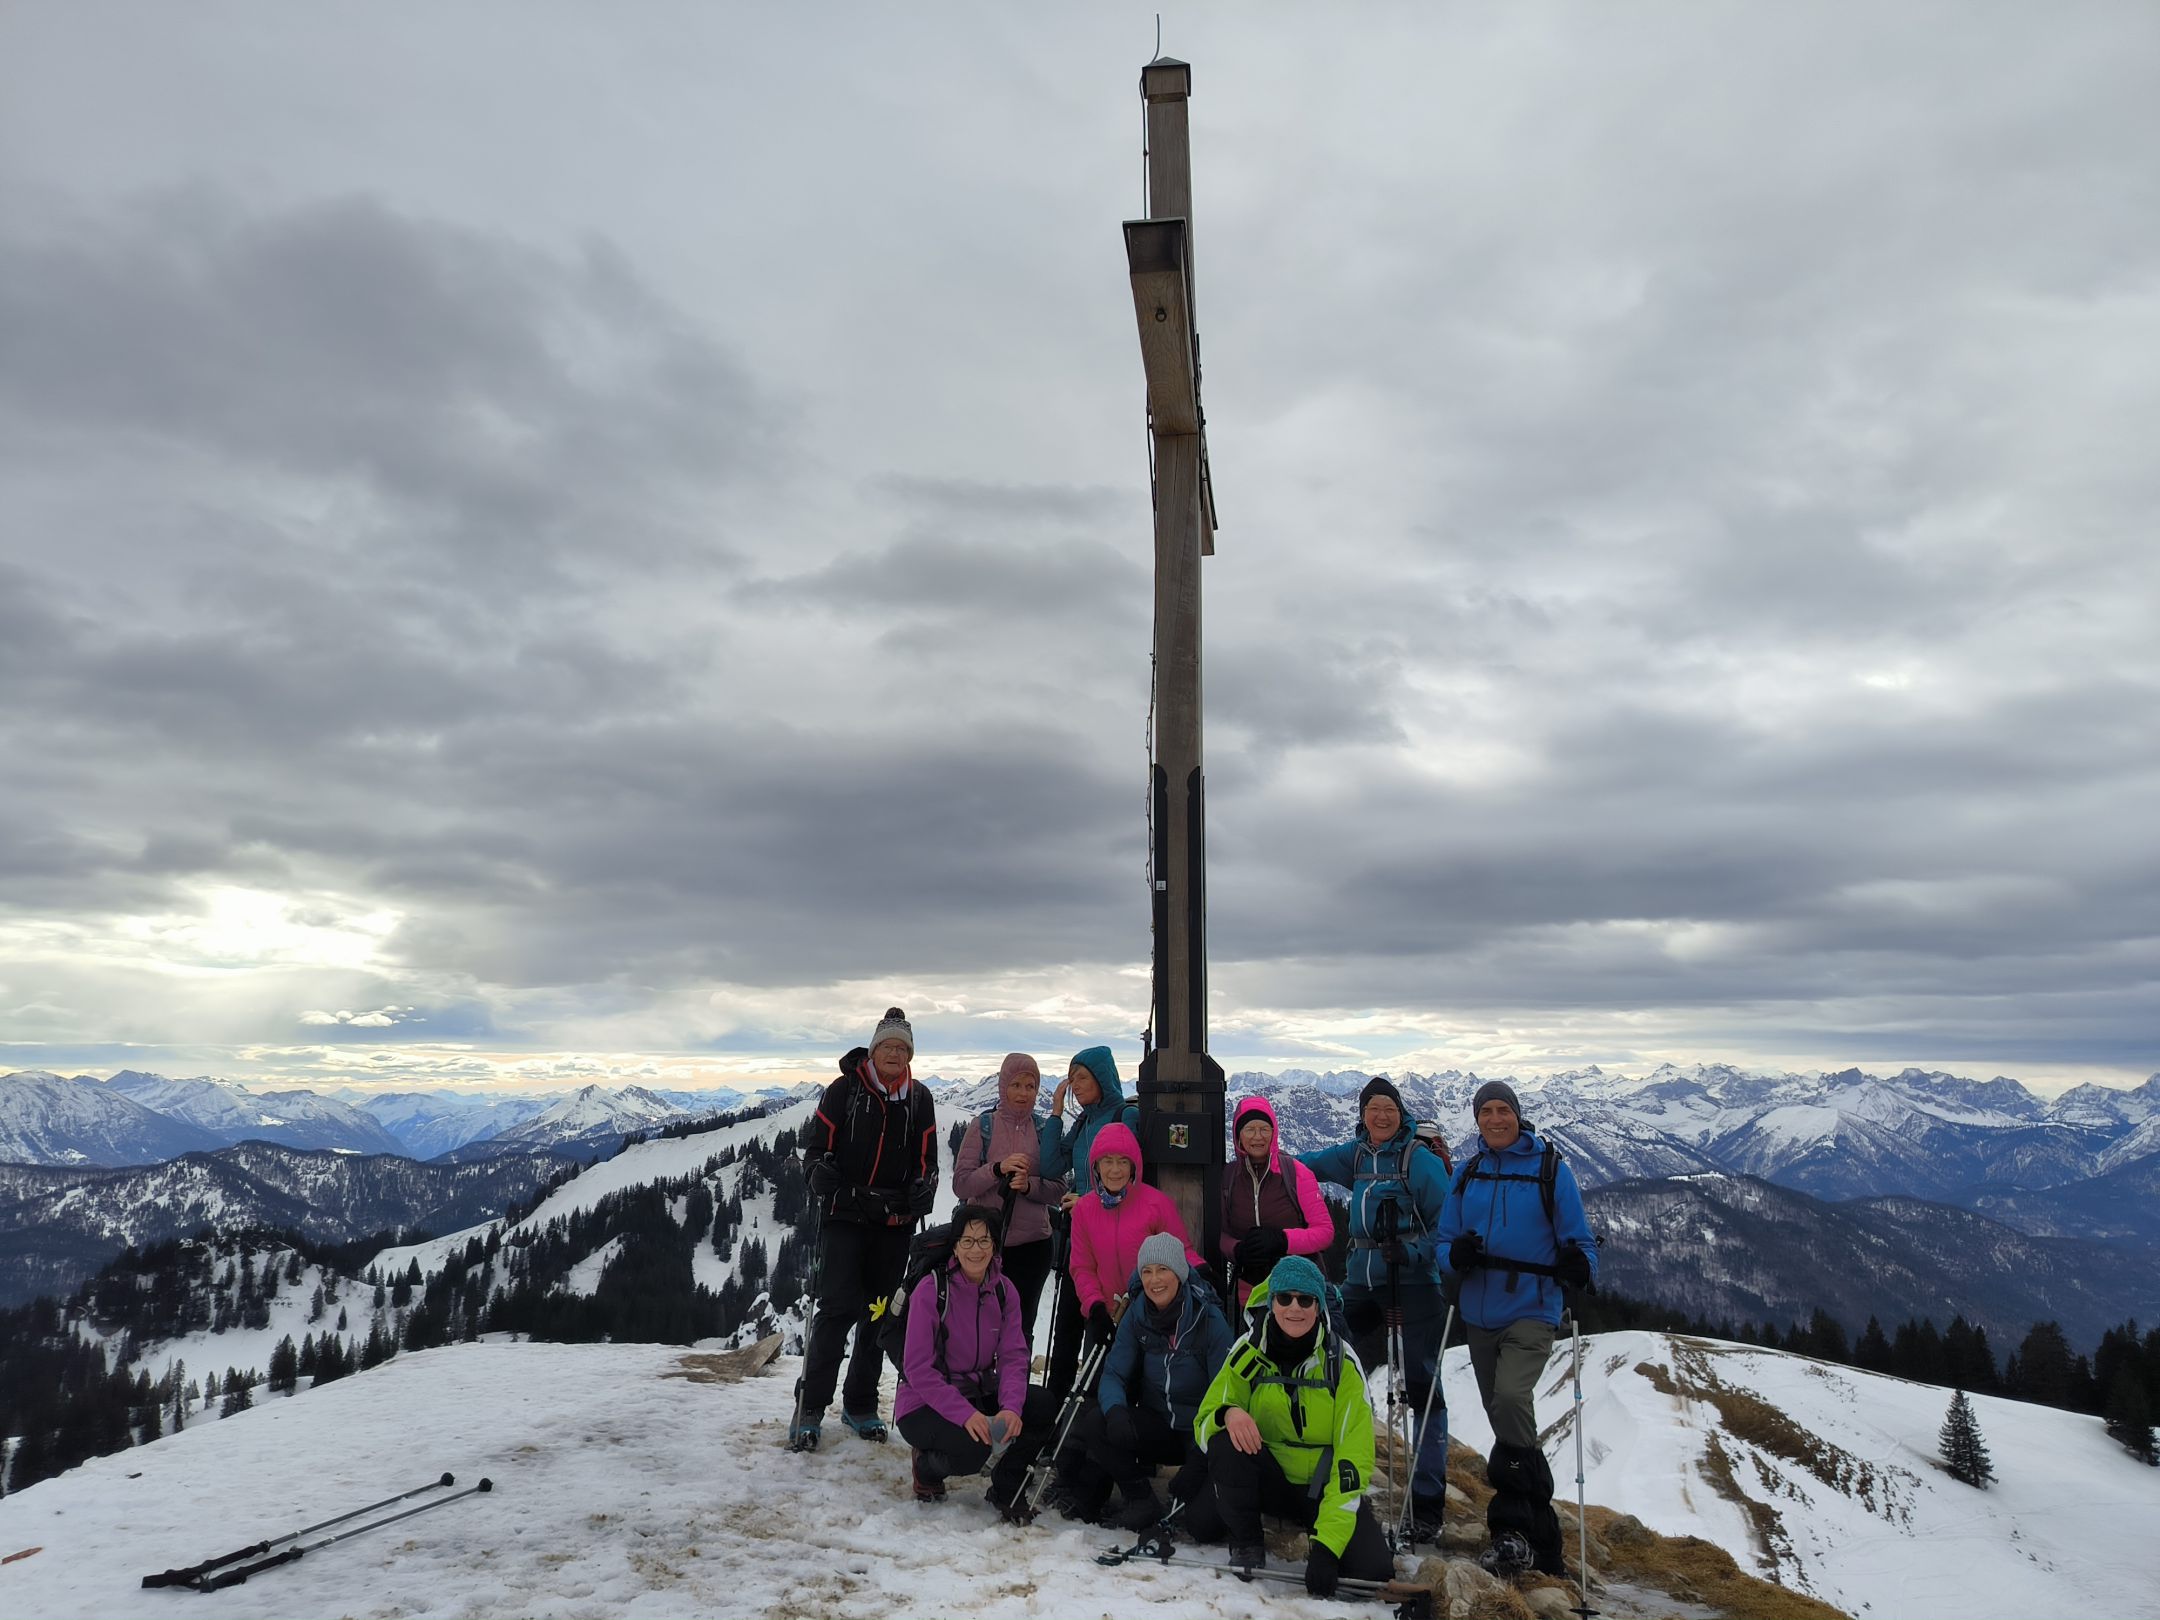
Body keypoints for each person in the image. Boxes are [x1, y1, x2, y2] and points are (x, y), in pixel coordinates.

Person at [1438, 1079, 1598, 1578]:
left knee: (1510, 1398)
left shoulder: (1552, 1171)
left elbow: (1584, 1244)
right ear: (1477, 1119)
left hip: (1533, 1308)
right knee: (1505, 1419)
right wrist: (1453, 1257)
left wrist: (1579, 1265)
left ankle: (1513, 1526)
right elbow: (1443, 1242)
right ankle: (1539, 1532)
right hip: (1478, 1313)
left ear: (1517, 1114)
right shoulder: (1467, 1174)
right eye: (1485, 1111)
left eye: (1502, 1109)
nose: (1494, 1118)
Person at [1296, 1076, 1453, 1536]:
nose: (1380, 1116)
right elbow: (1306, 1167)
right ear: (1362, 1115)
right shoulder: (1357, 1155)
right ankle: (1326, 1470)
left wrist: (1413, 1252)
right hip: (1362, 1285)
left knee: (1423, 1392)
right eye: (1372, 1109)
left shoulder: (1419, 1161)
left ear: (1400, 1113)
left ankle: (1427, 1506)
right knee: (1330, 1360)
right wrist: (1263, 1162)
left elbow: (1447, 1224)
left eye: (1388, 1108)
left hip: (1415, 1285)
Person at [1186, 1255, 1396, 1597]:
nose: (1294, 1308)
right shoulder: (1248, 1351)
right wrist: (1228, 1413)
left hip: (1322, 1488)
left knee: (1372, 1573)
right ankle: (1247, 1542)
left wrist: (1327, 1548)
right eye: (1284, 1298)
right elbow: (1205, 1420)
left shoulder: (1340, 1363)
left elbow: (1352, 1458)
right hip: (1268, 1481)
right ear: (1271, 1303)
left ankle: (1317, 1527)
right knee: (1207, 1500)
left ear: (1319, 1306)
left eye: (1305, 1299)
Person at [792, 1006, 940, 1452]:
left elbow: (927, 1161)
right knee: (836, 1311)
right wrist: (817, 1172)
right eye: (888, 1046)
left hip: (893, 1221)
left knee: (879, 1316)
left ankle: (859, 1404)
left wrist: (924, 1189)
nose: (895, 1053)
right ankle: (811, 1408)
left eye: (902, 1048)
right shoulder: (843, 1091)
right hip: (846, 1214)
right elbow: (816, 1150)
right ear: (873, 1051)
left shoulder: (919, 1099)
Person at [892, 1204, 1059, 1521]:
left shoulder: (1003, 1291)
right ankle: (926, 1470)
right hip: (921, 1403)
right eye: (967, 1241)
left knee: (1041, 1405)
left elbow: (1013, 1356)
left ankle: (1006, 1487)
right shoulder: (932, 1290)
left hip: (978, 1391)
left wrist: (1011, 1406)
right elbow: (917, 1370)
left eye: (984, 1240)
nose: (975, 1249)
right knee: (974, 1449)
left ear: (995, 1246)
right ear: (955, 1246)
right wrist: (966, 1414)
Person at [1062, 1231, 1234, 1527]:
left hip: (1200, 1431)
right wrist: (1116, 1410)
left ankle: (1196, 1490)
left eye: (1163, 1270)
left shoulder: (1208, 1319)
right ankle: (1140, 1499)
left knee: (1204, 1524)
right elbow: (1115, 1371)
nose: (1155, 1280)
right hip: (1158, 1424)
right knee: (1096, 1420)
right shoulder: (1137, 1314)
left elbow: (1227, 1389)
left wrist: (1201, 1457)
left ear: (1179, 1273)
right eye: (1147, 1272)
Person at [1040, 1046, 1140, 1404]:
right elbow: (1051, 1165)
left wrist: (1089, 1202)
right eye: (1072, 1078)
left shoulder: (1125, 1116)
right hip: (1080, 1237)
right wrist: (1055, 1112)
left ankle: (1095, 1406)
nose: (1075, 1085)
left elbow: (1135, 1180)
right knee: (1067, 1322)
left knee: (1099, 1325)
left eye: (1082, 1077)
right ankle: (1056, 1403)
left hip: (1112, 1238)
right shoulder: (1083, 1122)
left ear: (1101, 1076)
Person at [951, 1052, 1066, 1341]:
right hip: (985, 1245)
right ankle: (981, 1386)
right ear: (1004, 1086)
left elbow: (1058, 1188)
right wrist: (997, 1169)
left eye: (1031, 1086)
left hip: (1033, 1247)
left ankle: (1015, 1387)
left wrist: (1029, 1186)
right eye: (1016, 1085)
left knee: (1021, 1329)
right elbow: (961, 1185)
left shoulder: (1042, 1131)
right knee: (978, 1328)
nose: (1023, 1093)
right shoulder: (983, 1126)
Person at [1068, 1123, 1200, 1357]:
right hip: (1105, 1315)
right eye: (1107, 1161)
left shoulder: (1155, 1203)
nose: (1115, 1170)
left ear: (1133, 1166)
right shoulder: (1084, 1210)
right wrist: (1094, 1305)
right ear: (1096, 1166)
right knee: (1101, 1386)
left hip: (1152, 1313)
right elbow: (1082, 1267)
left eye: (1123, 1161)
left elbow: (1180, 1251)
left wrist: (1202, 1269)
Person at [1219, 1094, 1335, 1309]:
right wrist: (1237, 1250)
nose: (1258, 1137)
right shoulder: (1229, 1178)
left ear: (1274, 1133)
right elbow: (1221, 1233)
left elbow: (1325, 1232)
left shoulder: (1296, 1173)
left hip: (1298, 1291)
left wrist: (1283, 1240)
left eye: (1264, 1129)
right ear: (1238, 1135)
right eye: (1250, 1130)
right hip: (1251, 1292)